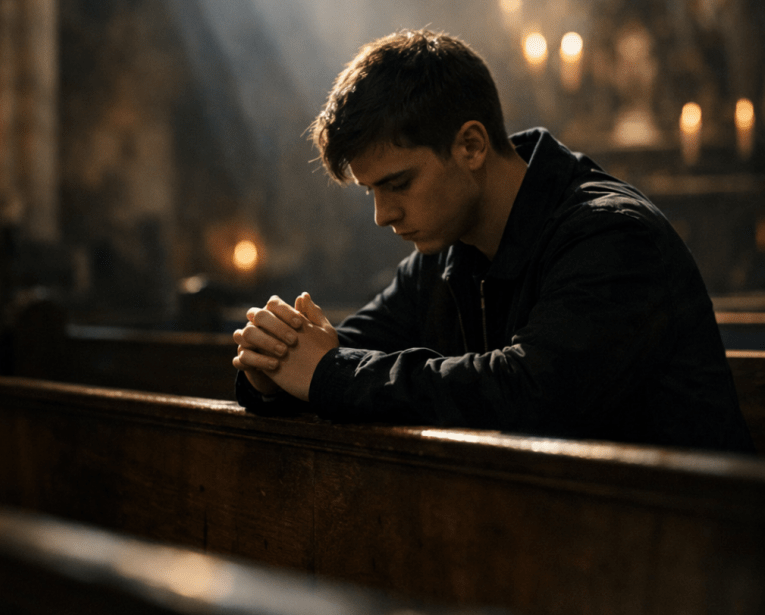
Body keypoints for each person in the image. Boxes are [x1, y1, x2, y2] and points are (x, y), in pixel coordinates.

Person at [233, 29, 755, 452]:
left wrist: (324, 374)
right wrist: (271, 368)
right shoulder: (440, 255)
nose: (382, 215)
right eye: (371, 191)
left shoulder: (614, 236)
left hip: (696, 551)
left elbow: (530, 394)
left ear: (472, 145)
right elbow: (343, 354)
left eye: (398, 184)